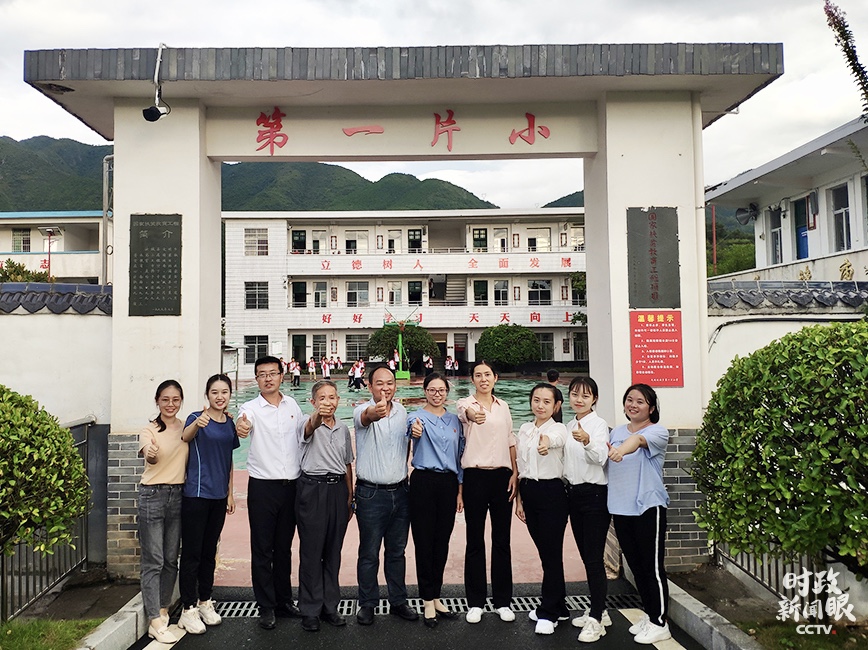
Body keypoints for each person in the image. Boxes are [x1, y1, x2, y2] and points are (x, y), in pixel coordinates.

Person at [236, 356, 304, 630]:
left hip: (291, 487)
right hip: (263, 488)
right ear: (257, 379)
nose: (268, 378)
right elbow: (244, 422)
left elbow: (303, 436)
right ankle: (266, 606)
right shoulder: (250, 408)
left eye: (272, 373)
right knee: (262, 549)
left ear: (281, 376)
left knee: (284, 548)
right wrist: (242, 426)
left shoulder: (293, 405)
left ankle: (284, 601)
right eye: (262, 374)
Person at [353, 366, 419, 626]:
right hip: (371, 494)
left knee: (397, 552)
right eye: (379, 383)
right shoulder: (361, 410)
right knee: (369, 553)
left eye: (390, 383)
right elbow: (367, 417)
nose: (385, 388)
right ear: (369, 386)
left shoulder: (403, 412)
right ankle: (367, 603)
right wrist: (375, 412)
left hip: (401, 492)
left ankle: (398, 601)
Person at [607, 384, 672, 645]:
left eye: (640, 401)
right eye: (630, 400)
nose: (633, 405)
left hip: (648, 507)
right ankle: (650, 613)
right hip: (622, 508)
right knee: (635, 565)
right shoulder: (616, 432)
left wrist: (620, 451)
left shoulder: (657, 431)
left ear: (651, 408)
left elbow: (636, 442)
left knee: (651, 566)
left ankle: (660, 622)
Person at [177, 374, 239, 635]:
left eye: (224, 392)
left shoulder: (229, 423)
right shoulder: (196, 418)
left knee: (209, 552)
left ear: (229, 395)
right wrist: (197, 424)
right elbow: (185, 437)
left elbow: (229, 459)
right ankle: (187, 609)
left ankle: (205, 601)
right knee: (192, 553)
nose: (220, 396)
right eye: (215, 392)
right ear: (207, 395)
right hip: (197, 495)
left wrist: (230, 493)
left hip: (218, 497)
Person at [457, 361, 518, 625]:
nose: (483, 379)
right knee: (475, 540)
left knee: (502, 540)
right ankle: (475, 602)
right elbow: (465, 413)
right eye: (478, 375)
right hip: (475, 477)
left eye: (488, 375)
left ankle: (503, 601)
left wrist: (515, 472)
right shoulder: (465, 403)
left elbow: (511, 439)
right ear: (472, 380)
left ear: (496, 378)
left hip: (502, 477)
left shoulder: (504, 406)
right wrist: (473, 414)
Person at [407, 373, 465, 628]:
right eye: (432, 390)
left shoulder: (455, 421)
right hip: (423, 482)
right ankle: (427, 600)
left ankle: (437, 596)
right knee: (424, 541)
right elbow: (412, 428)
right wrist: (415, 430)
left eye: (441, 390)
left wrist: (460, 490)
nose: (437, 394)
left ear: (447, 392)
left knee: (442, 541)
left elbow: (460, 455)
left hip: (449, 483)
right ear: (425, 391)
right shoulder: (416, 416)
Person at [297, 380, 354, 632]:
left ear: (338, 400)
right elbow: (310, 428)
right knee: (311, 551)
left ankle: (330, 606)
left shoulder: (343, 429)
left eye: (332, 397)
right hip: (313, 489)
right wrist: (317, 416)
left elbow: (347, 463)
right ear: (313, 402)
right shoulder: (307, 422)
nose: (328, 402)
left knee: (333, 551)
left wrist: (350, 496)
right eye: (322, 398)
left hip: (337, 490)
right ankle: (310, 609)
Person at [514, 383, 568, 635]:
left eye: (547, 401)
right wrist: (520, 500)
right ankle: (560, 606)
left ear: (556, 405)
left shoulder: (559, 429)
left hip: (552, 493)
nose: (540, 405)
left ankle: (549, 612)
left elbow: (554, 441)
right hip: (529, 491)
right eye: (536, 400)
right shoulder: (525, 429)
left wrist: (546, 442)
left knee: (551, 553)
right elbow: (521, 466)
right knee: (546, 553)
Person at [138, 380, 188, 645]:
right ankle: (154, 620)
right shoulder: (149, 430)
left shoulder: (186, 428)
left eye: (175, 399)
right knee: (154, 560)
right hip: (153, 496)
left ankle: (163, 609)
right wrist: (152, 452)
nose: (170, 404)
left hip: (178, 496)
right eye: (165, 399)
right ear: (157, 401)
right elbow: (150, 455)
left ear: (181, 401)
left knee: (170, 559)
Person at [563, 376, 611, 643]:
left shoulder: (598, 425)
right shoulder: (570, 424)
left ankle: (596, 620)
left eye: (585, 395)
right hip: (574, 495)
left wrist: (587, 441)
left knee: (593, 559)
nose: (578, 400)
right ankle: (600, 610)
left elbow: (600, 458)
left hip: (594, 496)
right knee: (586, 556)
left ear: (594, 399)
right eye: (574, 394)